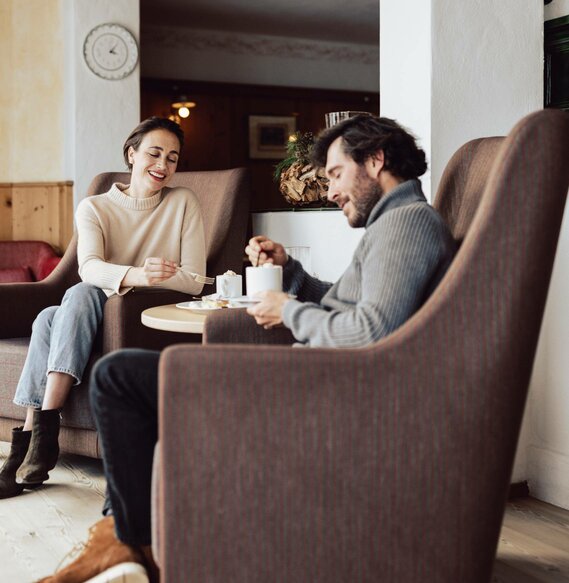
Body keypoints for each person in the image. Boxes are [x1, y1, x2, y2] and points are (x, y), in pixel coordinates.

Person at [37, 115, 457, 583]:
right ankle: (125, 538)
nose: (332, 191)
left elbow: (369, 331)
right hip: (311, 379)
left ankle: (129, 542)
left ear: (375, 160)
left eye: (335, 174)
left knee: (118, 376)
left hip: (319, 391)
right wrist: (292, 272)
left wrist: (288, 311)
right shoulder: (393, 225)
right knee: (119, 369)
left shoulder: (407, 225)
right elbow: (348, 304)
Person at [0, 117, 206, 501]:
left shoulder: (183, 202)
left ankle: (31, 444)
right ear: (132, 154)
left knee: (65, 305)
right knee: (58, 309)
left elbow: (194, 280)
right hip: (94, 311)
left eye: (173, 158)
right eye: (154, 153)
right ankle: (35, 443)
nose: (163, 164)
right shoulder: (94, 206)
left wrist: (145, 282)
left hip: (138, 315)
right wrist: (142, 272)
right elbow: (88, 267)